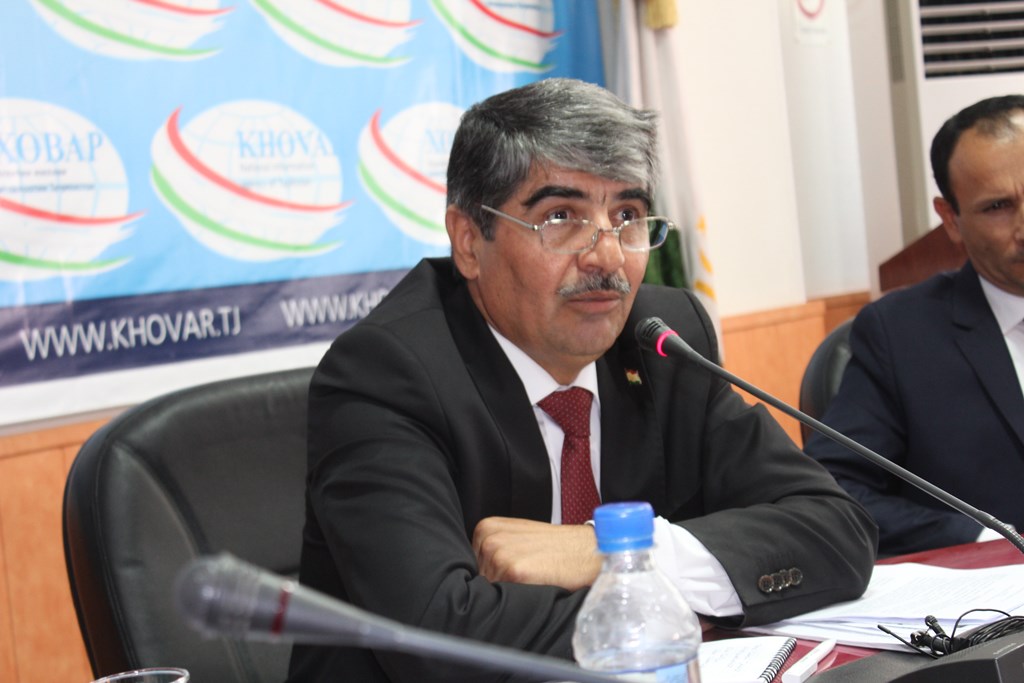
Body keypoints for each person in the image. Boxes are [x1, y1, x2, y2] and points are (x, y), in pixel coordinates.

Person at [287, 78, 876, 682]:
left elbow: (837, 531)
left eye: (627, 216)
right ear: (468, 242)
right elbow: (437, 636)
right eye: (561, 217)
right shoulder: (387, 373)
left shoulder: (661, 339)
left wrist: (612, 554)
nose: (609, 256)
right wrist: (675, 606)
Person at [805, 94, 1024, 557]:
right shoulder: (901, 335)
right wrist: (986, 540)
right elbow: (834, 490)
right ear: (951, 220)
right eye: (998, 206)